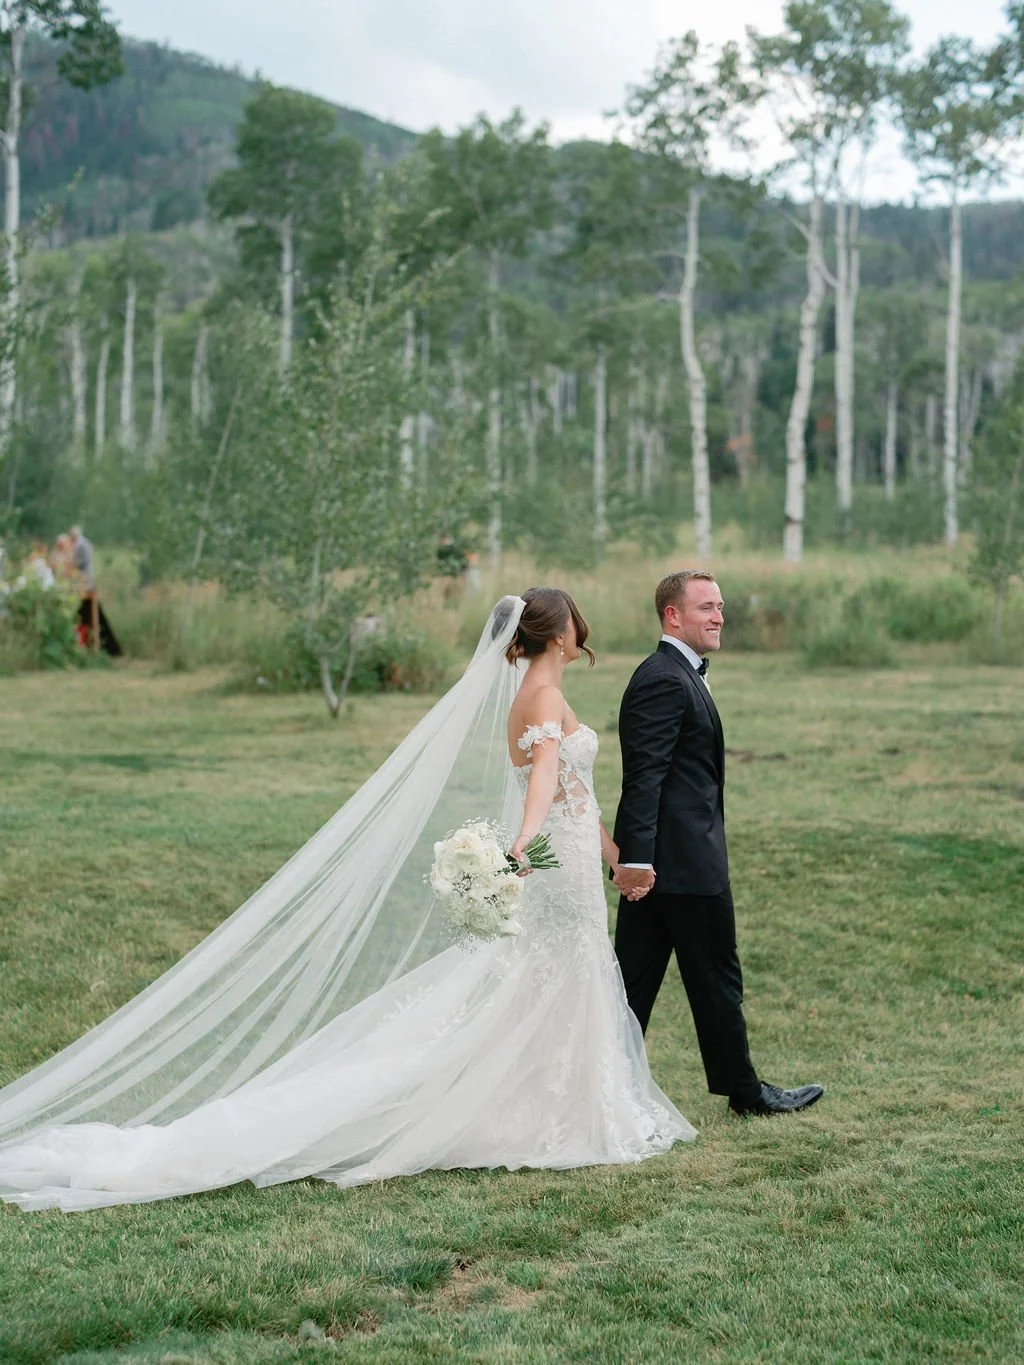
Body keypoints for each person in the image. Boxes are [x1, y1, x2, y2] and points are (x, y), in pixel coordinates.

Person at [0, 590, 693, 1211]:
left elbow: (577, 793)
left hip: (570, 854)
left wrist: (616, 858)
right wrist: (523, 842)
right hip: (551, 857)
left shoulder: (543, 694)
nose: (579, 629)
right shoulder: (539, 699)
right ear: (559, 634)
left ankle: (554, 1103)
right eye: (573, 620)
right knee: (547, 972)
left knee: (547, 977)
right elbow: (543, 783)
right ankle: (551, 1111)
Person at [612, 570, 824, 1118]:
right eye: (706, 607)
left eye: (720, 606)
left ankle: (601, 1085)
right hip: (680, 865)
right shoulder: (664, 678)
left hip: (665, 863)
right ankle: (746, 1094)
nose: (719, 616)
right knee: (712, 980)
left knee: (630, 986)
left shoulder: (676, 673)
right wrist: (637, 860)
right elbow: (645, 776)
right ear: (672, 616)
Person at [68, 524, 122, 657]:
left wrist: (72, 565)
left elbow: (81, 563)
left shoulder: (82, 545)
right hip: (83, 581)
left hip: (85, 581)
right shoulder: (82, 544)